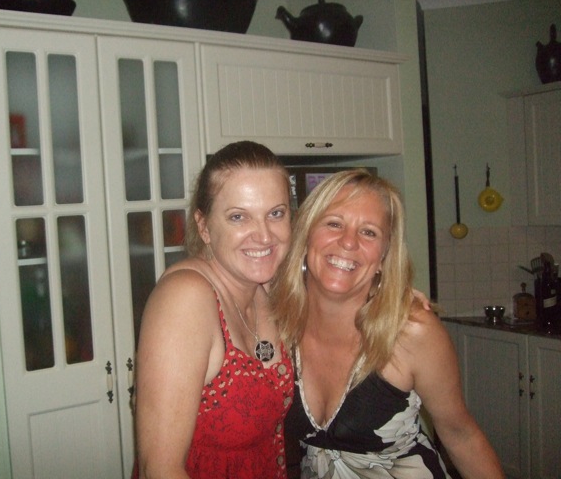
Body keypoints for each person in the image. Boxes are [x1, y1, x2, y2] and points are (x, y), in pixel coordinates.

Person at [271, 169, 504, 479]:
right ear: (306, 235)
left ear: (384, 255)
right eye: (334, 223)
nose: (348, 242)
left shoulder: (411, 331)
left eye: (369, 232)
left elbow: (461, 435)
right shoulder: (276, 326)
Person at [135, 141, 295, 478]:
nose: (264, 235)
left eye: (276, 213)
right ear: (204, 227)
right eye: (239, 217)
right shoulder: (185, 298)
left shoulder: (265, 287)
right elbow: (159, 470)